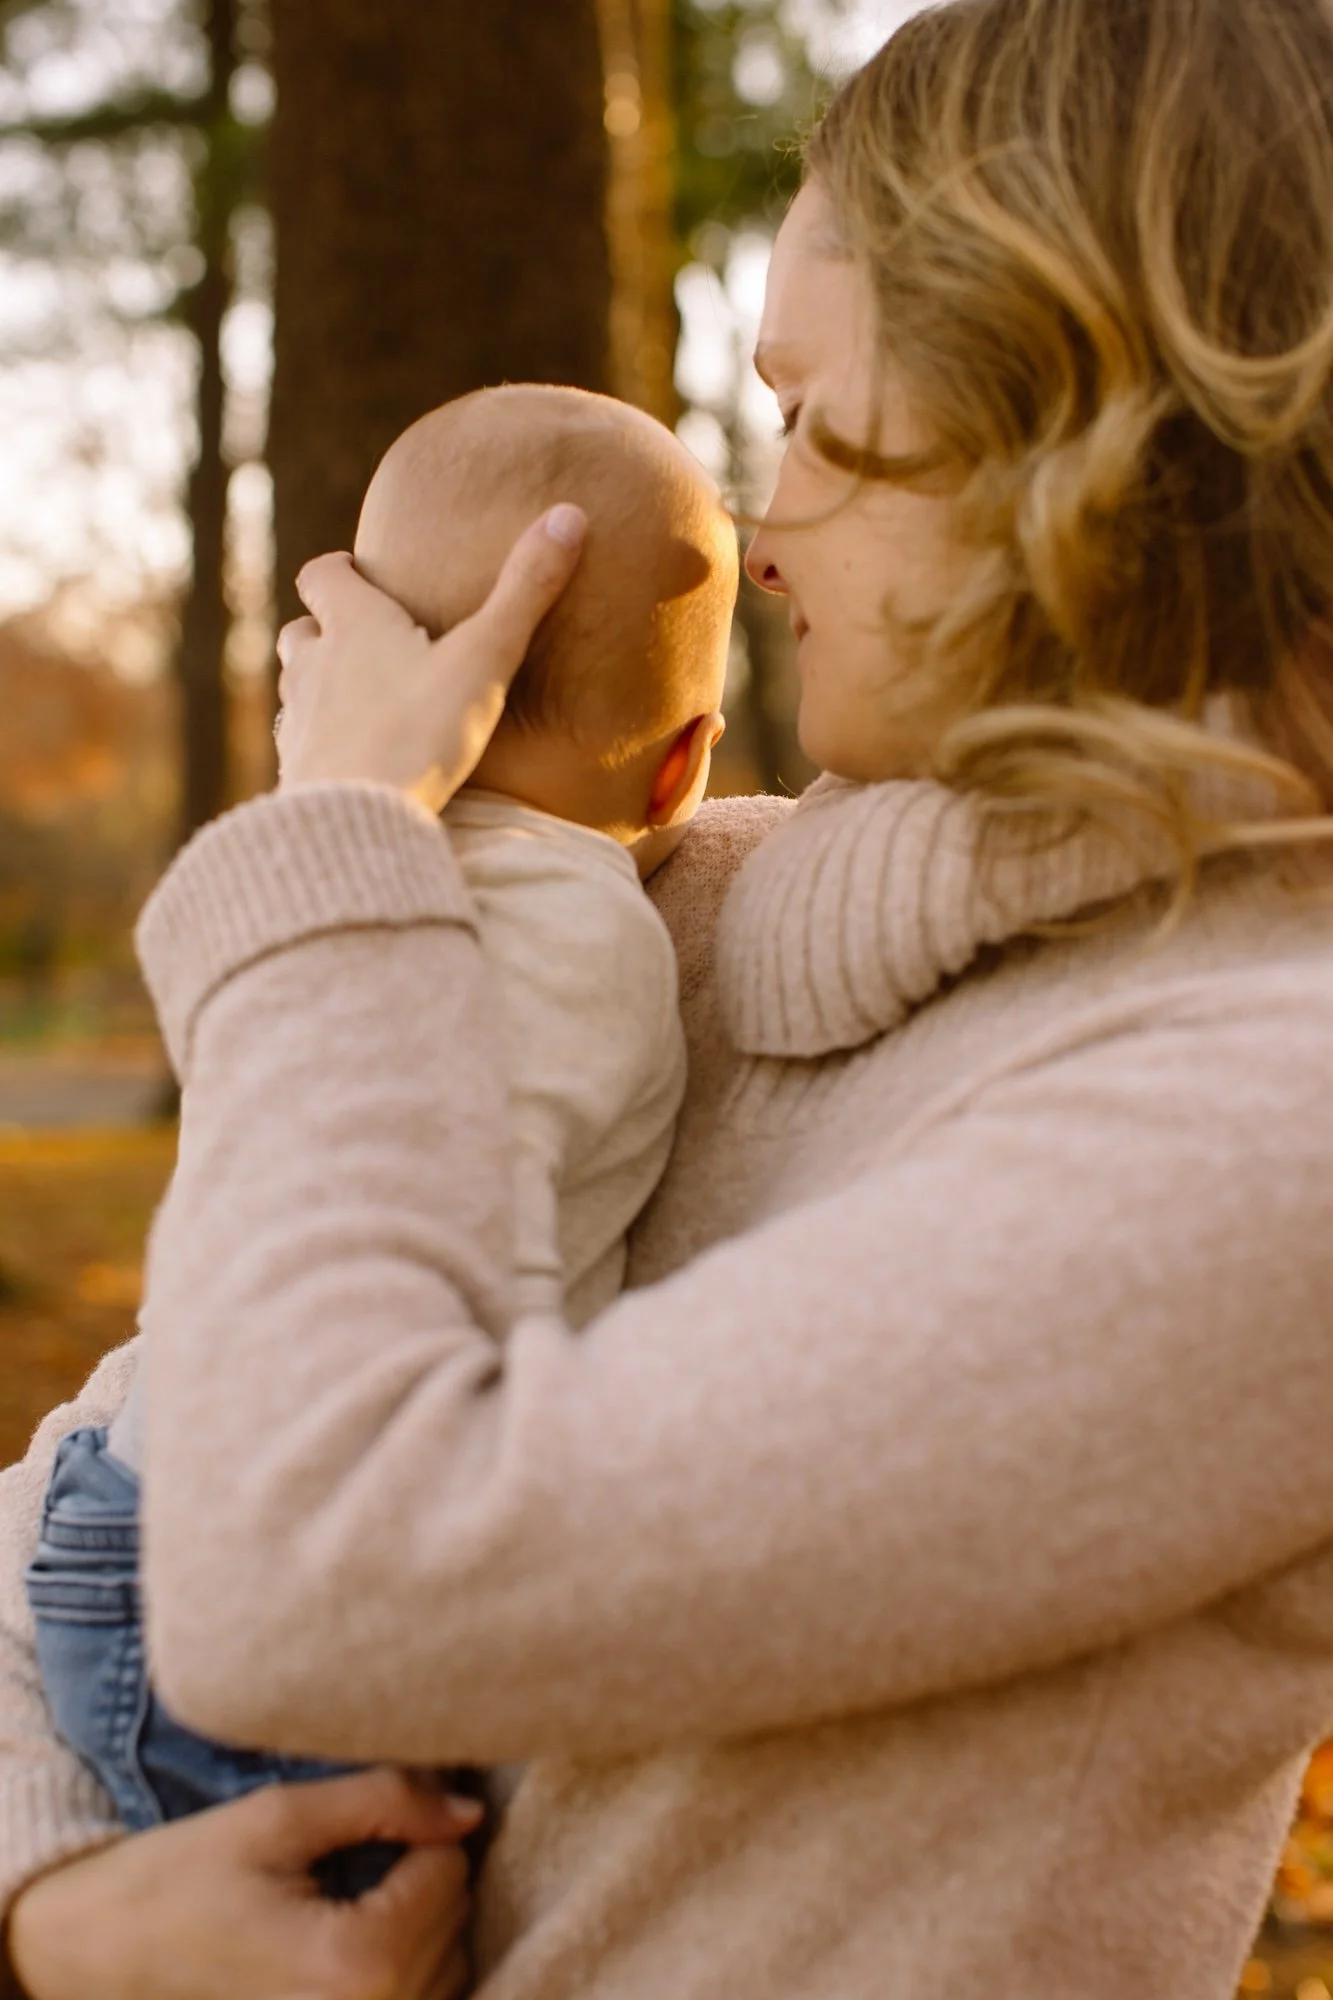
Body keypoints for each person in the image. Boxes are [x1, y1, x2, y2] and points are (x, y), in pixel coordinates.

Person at [7, 0, 1333, 1994]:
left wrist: (348, 842)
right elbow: (92, 1491)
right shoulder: (662, 914)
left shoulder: (1263, 1129)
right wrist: (56, 1910)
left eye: (814, 412)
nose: (760, 518)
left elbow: (314, 1574)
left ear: (1077, 420)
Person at [19, 384, 734, 1899]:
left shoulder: (313, 878)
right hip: (287, 1592)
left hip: (125, 1503)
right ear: (682, 768)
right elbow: (460, 1318)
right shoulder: (586, 932)